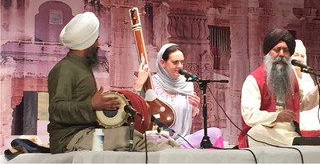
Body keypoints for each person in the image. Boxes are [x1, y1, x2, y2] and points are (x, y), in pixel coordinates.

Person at [47, 12, 179, 154]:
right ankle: (180, 157)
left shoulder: (80, 67)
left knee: (145, 137)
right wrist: (91, 104)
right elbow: (56, 110)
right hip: (69, 139)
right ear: (87, 42)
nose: (98, 44)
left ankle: (177, 151)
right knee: (131, 138)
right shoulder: (65, 69)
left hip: (86, 133)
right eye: (96, 39)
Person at [238, 28, 320, 148]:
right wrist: (276, 117)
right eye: (277, 50)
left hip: (291, 131)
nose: (281, 54)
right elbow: (250, 116)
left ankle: (296, 144)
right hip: (268, 130)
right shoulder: (254, 79)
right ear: (267, 52)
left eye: (285, 50)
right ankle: (297, 145)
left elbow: (303, 103)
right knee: (255, 133)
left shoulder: (292, 77)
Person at [151, 43, 224, 148]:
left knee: (215, 133)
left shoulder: (187, 83)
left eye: (181, 62)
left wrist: (194, 107)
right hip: (161, 138)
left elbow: (189, 117)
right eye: (175, 62)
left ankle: (181, 148)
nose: (180, 66)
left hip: (183, 139)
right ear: (163, 63)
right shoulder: (152, 83)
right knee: (153, 137)